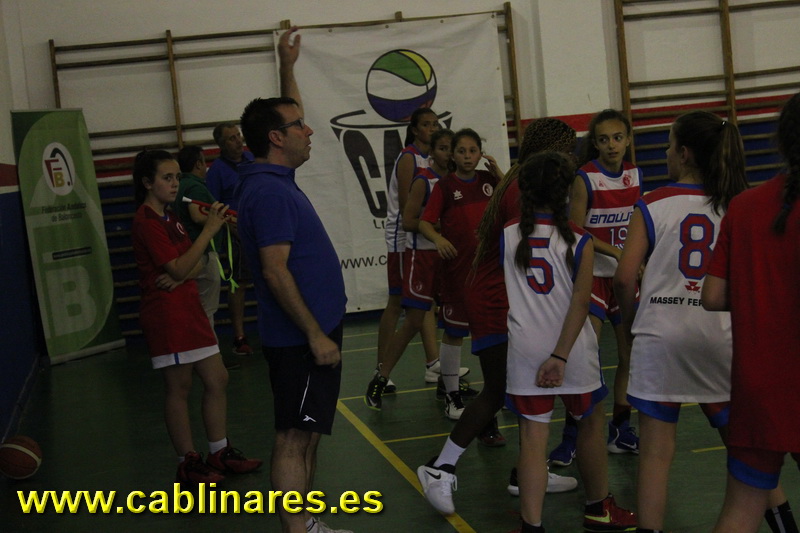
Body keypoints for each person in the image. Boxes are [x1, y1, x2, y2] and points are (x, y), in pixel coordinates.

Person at [615, 110, 796, 533]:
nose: (665, 152)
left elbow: (624, 277)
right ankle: (784, 524)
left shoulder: (653, 203)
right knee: (751, 449)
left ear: (684, 153)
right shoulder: (740, 202)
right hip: (721, 336)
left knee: (656, 453)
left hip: (663, 333)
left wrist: (631, 322)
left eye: (668, 144)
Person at [415, 119, 580, 515]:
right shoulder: (523, 187)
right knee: (498, 389)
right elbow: (538, 247)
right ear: (553, 152)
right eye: (567, 151)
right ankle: (440, 467)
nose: (571, 160)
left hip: (503, 295)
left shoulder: (518, 180)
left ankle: (527, 472)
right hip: (495, 299)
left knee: (524, 389)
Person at [234, 27, 351, 533]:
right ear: (277, 139)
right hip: (300, 341)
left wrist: (288, 66)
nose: (309, 130)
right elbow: (274, 271)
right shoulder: (270, 193)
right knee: (292, 438)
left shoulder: (273, 176)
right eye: (299, 126)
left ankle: (308, 524)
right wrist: (314, 334)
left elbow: (284, 113)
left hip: (313, 334)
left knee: (308, 434)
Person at [503, 152, 635, 532]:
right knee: (590, 422)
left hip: (525, 348)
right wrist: (560, 356)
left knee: (532, 438)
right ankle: (598, 508)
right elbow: (580, 303)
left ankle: (531, 525)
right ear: (566, 193)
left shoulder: (508, 233)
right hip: (572, 348)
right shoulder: (580, 240)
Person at [131, 149, 261, 486]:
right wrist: (209, 231)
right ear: (147, 182)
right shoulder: (146, 221)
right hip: (167, 315)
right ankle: (187, 461)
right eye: (167, 178)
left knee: (217, 378)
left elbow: (194, 263)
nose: (175, 184)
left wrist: (183, 271)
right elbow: (181, 265)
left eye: (177, 177)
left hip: (189, 309)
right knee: (179, 387)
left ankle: (219, 450)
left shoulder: (170, 217)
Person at [704, 93, 800, 533]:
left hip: (757, 384)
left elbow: (712, 295)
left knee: (740, 511)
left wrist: (763, 292)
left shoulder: (744, 207)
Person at [550, 109, 642, 465]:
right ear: (596, 144)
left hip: (623, 277)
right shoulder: (585, 178)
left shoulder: (634, 174)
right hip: (592, 276)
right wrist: (616, 252)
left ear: (628, 139)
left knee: (630, 353)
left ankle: (620, 427)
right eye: (604, 139)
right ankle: (572, 436)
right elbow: (575, 229)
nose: (612, 145)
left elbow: (638, 224)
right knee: (584, 357)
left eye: (617, 137)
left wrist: (639, 258)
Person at [365, 128, 455, 409]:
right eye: (442, 148)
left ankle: (448, 383)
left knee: (453, 320)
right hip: (422, 256)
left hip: (448, 258)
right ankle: (381, 376)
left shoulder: (456, 182)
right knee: (414, 320)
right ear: (432, 152)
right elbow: (408, 221)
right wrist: (440, 228)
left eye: (453, 149)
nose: (449, 154)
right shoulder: (423, 180)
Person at [207, 120, 255, 356]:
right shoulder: (216, 172)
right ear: (221, 144)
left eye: (238, 135)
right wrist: (231, 226)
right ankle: (239, 337)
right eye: (232, 138)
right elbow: (212, 207)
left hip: (261, 227)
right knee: (238, 283)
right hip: (236, 234)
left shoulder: (252, 159)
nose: (238, 141)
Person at [172, 145, 222, 337]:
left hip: (186, 253)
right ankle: (209, 350)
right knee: (206, 311)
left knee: (196, 310)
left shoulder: (179, 185)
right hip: (202, 254)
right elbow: (197, 215)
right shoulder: (195, 187)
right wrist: (219, 219)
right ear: (198, 164)